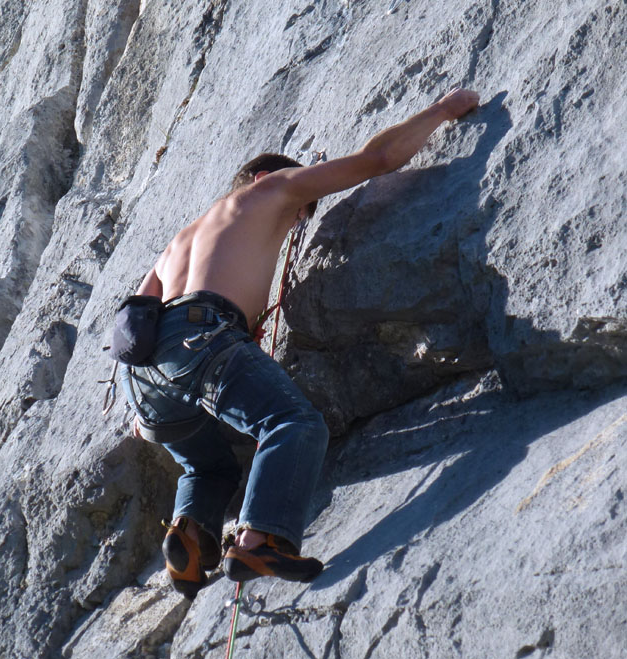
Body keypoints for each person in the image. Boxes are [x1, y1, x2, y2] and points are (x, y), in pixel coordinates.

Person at [122, 88, 480, 597]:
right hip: (202, 335)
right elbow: (377, 159)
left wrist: (142, 407)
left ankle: (191, 542)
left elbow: (136, 323)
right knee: (294, 422)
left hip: (145, 375)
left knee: (208, 465)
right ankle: (258, 539)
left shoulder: (179, 240)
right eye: (302, 214)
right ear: (266, 177)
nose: (296, 223)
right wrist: (444, 111)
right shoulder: (271, 189)